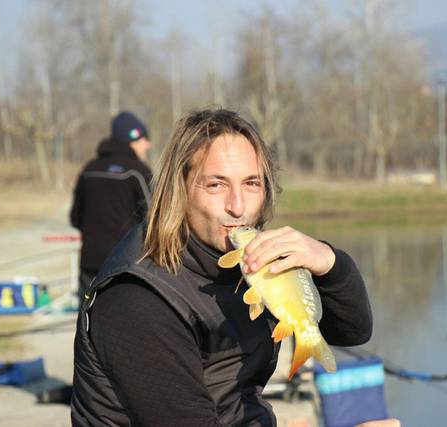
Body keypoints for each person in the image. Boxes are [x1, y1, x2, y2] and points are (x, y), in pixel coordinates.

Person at [71, 108, 373, 426]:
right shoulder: (138, 298)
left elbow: (352, 331)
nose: (238, 207)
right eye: (216, 185)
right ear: (179, 190)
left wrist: (330, 263)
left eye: (252, 184)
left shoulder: (243, 259)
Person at [70, 111, 152, 300]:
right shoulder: (138, 171)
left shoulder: (89, 169)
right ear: (134, 137)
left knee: (87, 322)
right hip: (125, 265)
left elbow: (75, 218)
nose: (148, 144)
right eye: (145, 139)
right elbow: (154, 219)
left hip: (90, 262)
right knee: (126, 324)